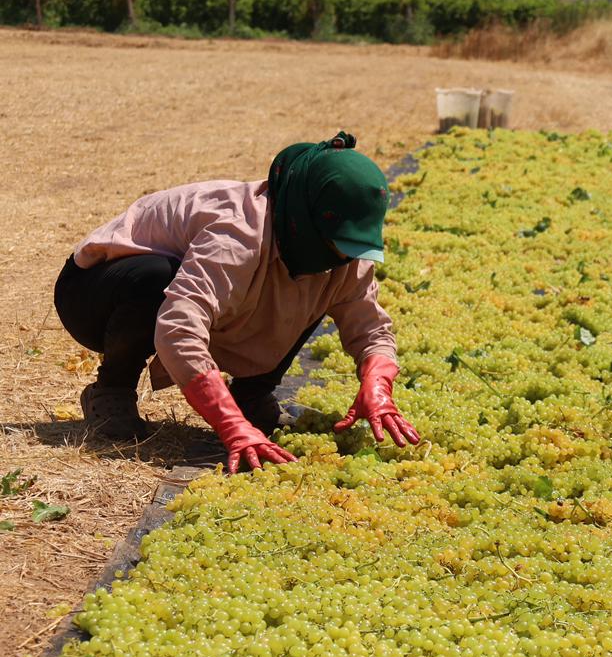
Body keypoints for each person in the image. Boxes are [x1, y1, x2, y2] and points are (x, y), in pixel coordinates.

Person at [54, 131, 421, 472]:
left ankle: (252, 395)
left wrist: (378, 380)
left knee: (317, 283)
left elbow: (371, 326)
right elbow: (178, 327)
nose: (344, 256)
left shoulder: (339, 254)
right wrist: (230, 426)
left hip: (187, 297)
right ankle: (112, 389)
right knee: (157, 276)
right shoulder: (237, 235)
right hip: (96, 293)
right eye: (338, 243)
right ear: (305, 219)